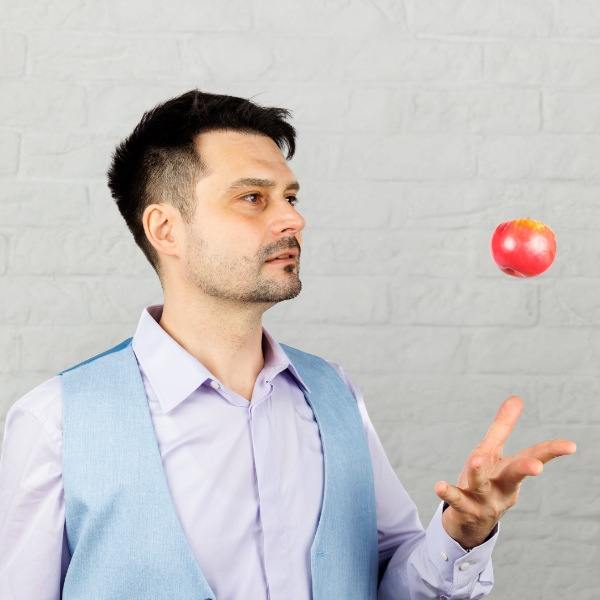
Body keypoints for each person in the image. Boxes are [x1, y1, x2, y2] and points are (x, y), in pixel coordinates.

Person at [0, 90, 575, 600]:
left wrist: (461, 534)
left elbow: (392, 581)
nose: (292, 220)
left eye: (291, 197)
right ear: (165, 229)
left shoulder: (335, 395)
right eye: (253, 197)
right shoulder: (55, 423)